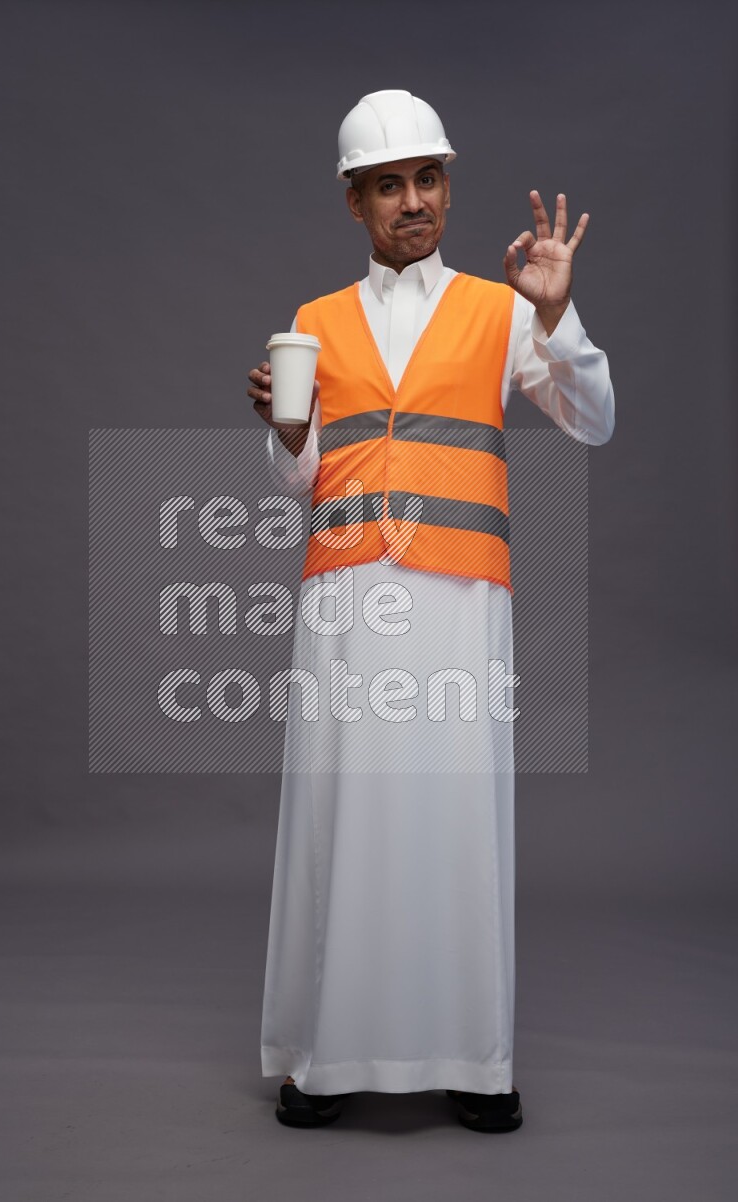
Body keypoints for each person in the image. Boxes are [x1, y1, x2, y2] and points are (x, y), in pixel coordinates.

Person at [247, 89, 614, 1132]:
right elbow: (292, 481)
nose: (414, 200)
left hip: (458, 599)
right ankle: (323, 1055)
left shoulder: (504, 311)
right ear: (353, 201)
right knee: (337, 812)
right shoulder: (311, 323)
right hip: (346, 598)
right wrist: (283, 436)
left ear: (445, 184)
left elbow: (591, 419)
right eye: (389, 184)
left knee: (454, 817)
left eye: (428, 178)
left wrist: (555, 315)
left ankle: (471, 1056)